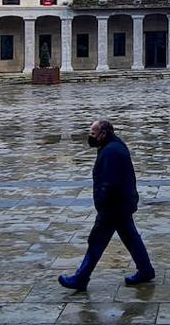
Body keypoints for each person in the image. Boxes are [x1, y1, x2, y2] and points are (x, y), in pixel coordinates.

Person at [58, 120, 155, 291]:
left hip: (113, 206)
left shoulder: (111, 152)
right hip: (121, 204)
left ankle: (81, 278)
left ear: (103, 134)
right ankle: (146, 270)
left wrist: (102, 202)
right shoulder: (113, 146)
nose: (90, 137)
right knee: (130, 237)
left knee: (96, 242)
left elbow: (110, 183)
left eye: (93, 133)